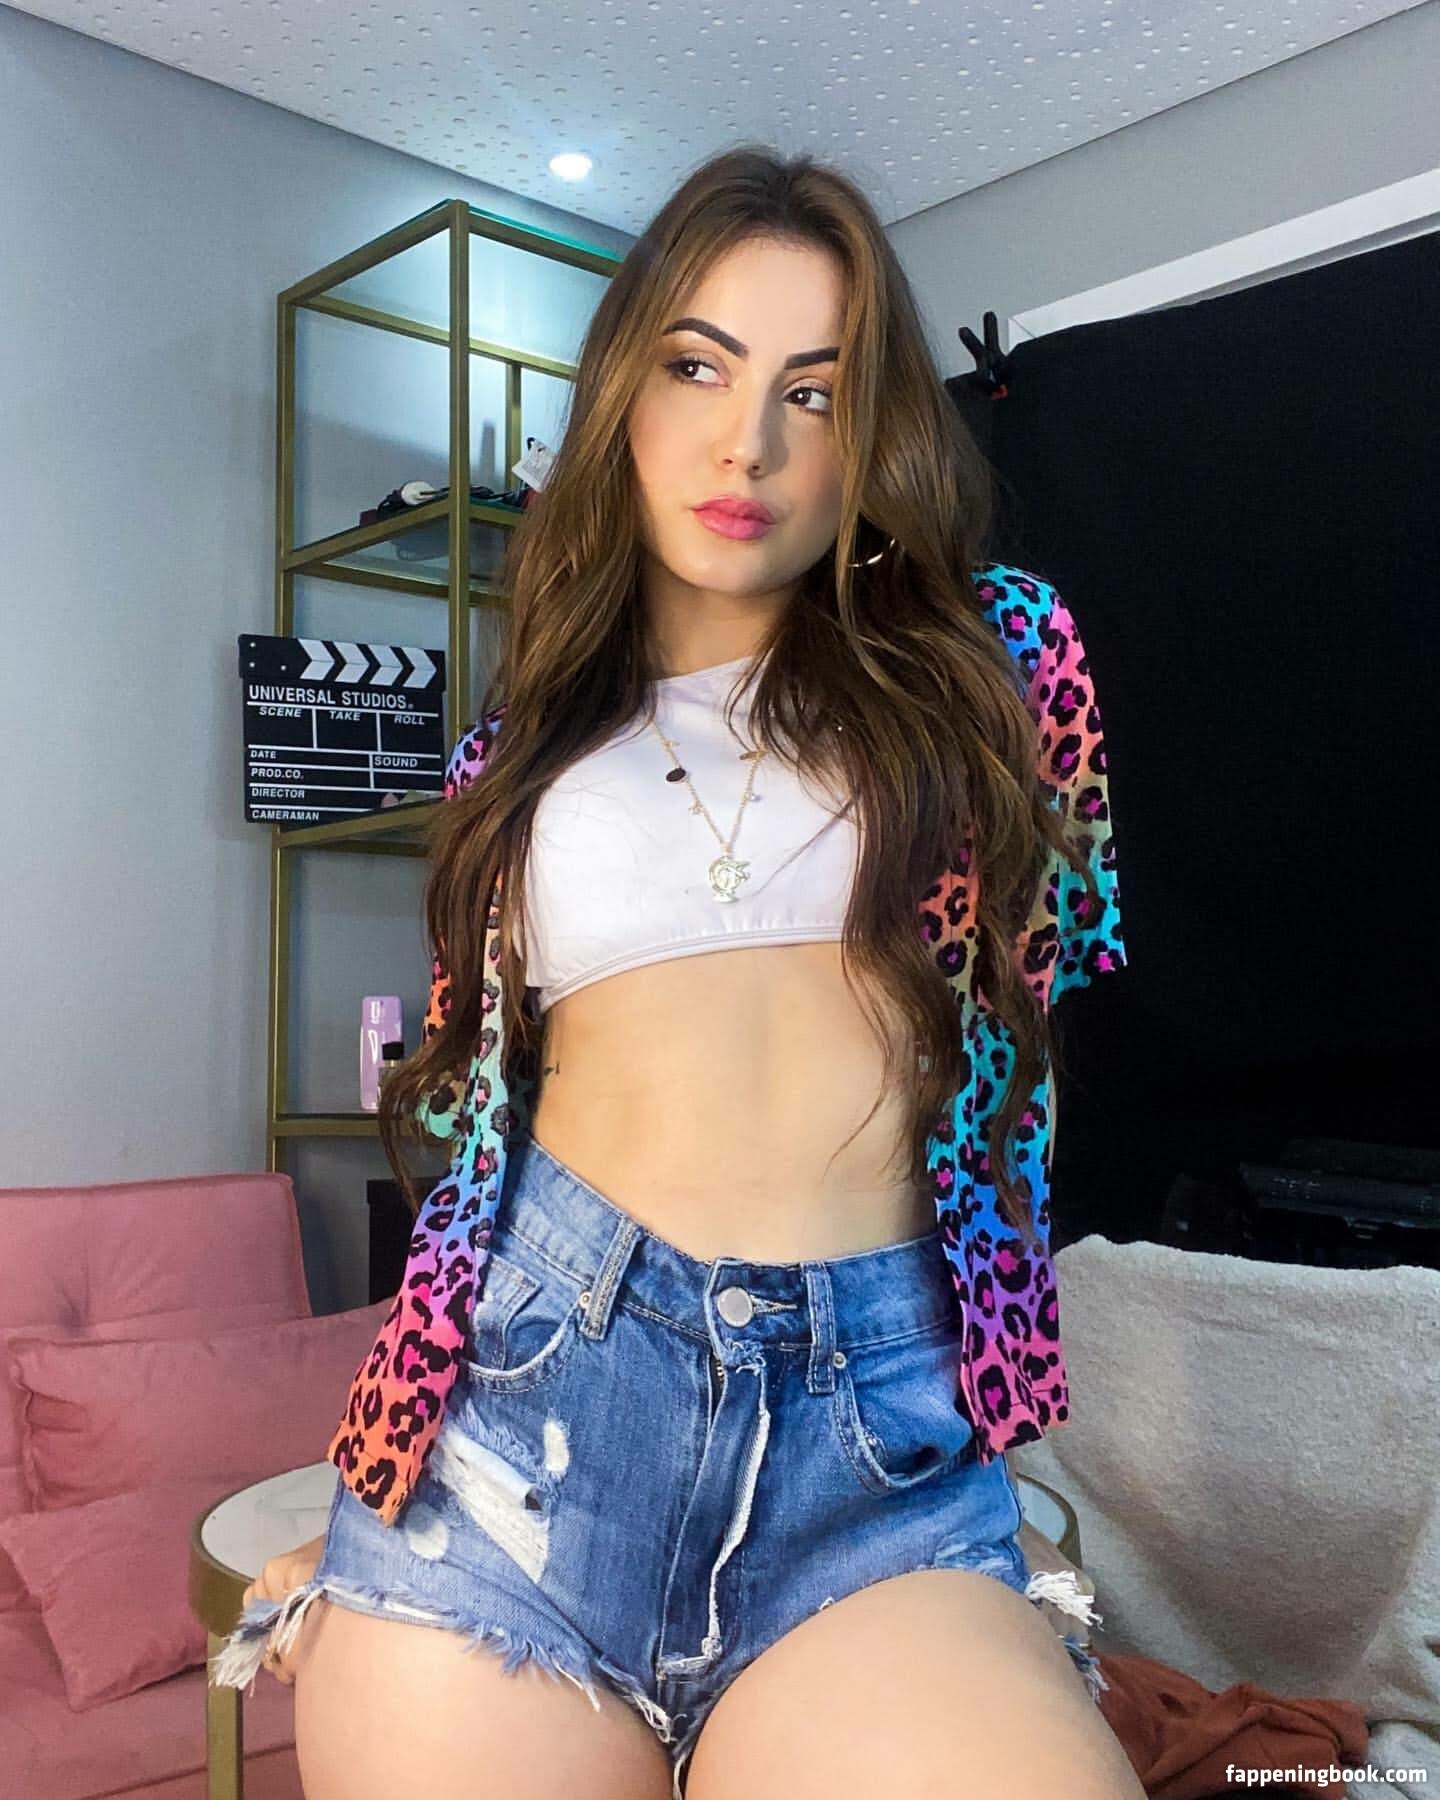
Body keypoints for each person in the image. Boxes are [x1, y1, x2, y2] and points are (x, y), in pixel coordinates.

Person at [213, 144, 1137, 1800]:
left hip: (876, 1443)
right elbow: (479, 1153)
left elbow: (1029, 1033)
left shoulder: (997, 664)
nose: (747, 443)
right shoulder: (518, 756)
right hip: (525, 1417)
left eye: (812, 391)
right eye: (698, 368)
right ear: (621, 399)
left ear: (869, 433)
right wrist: (369, 1487)